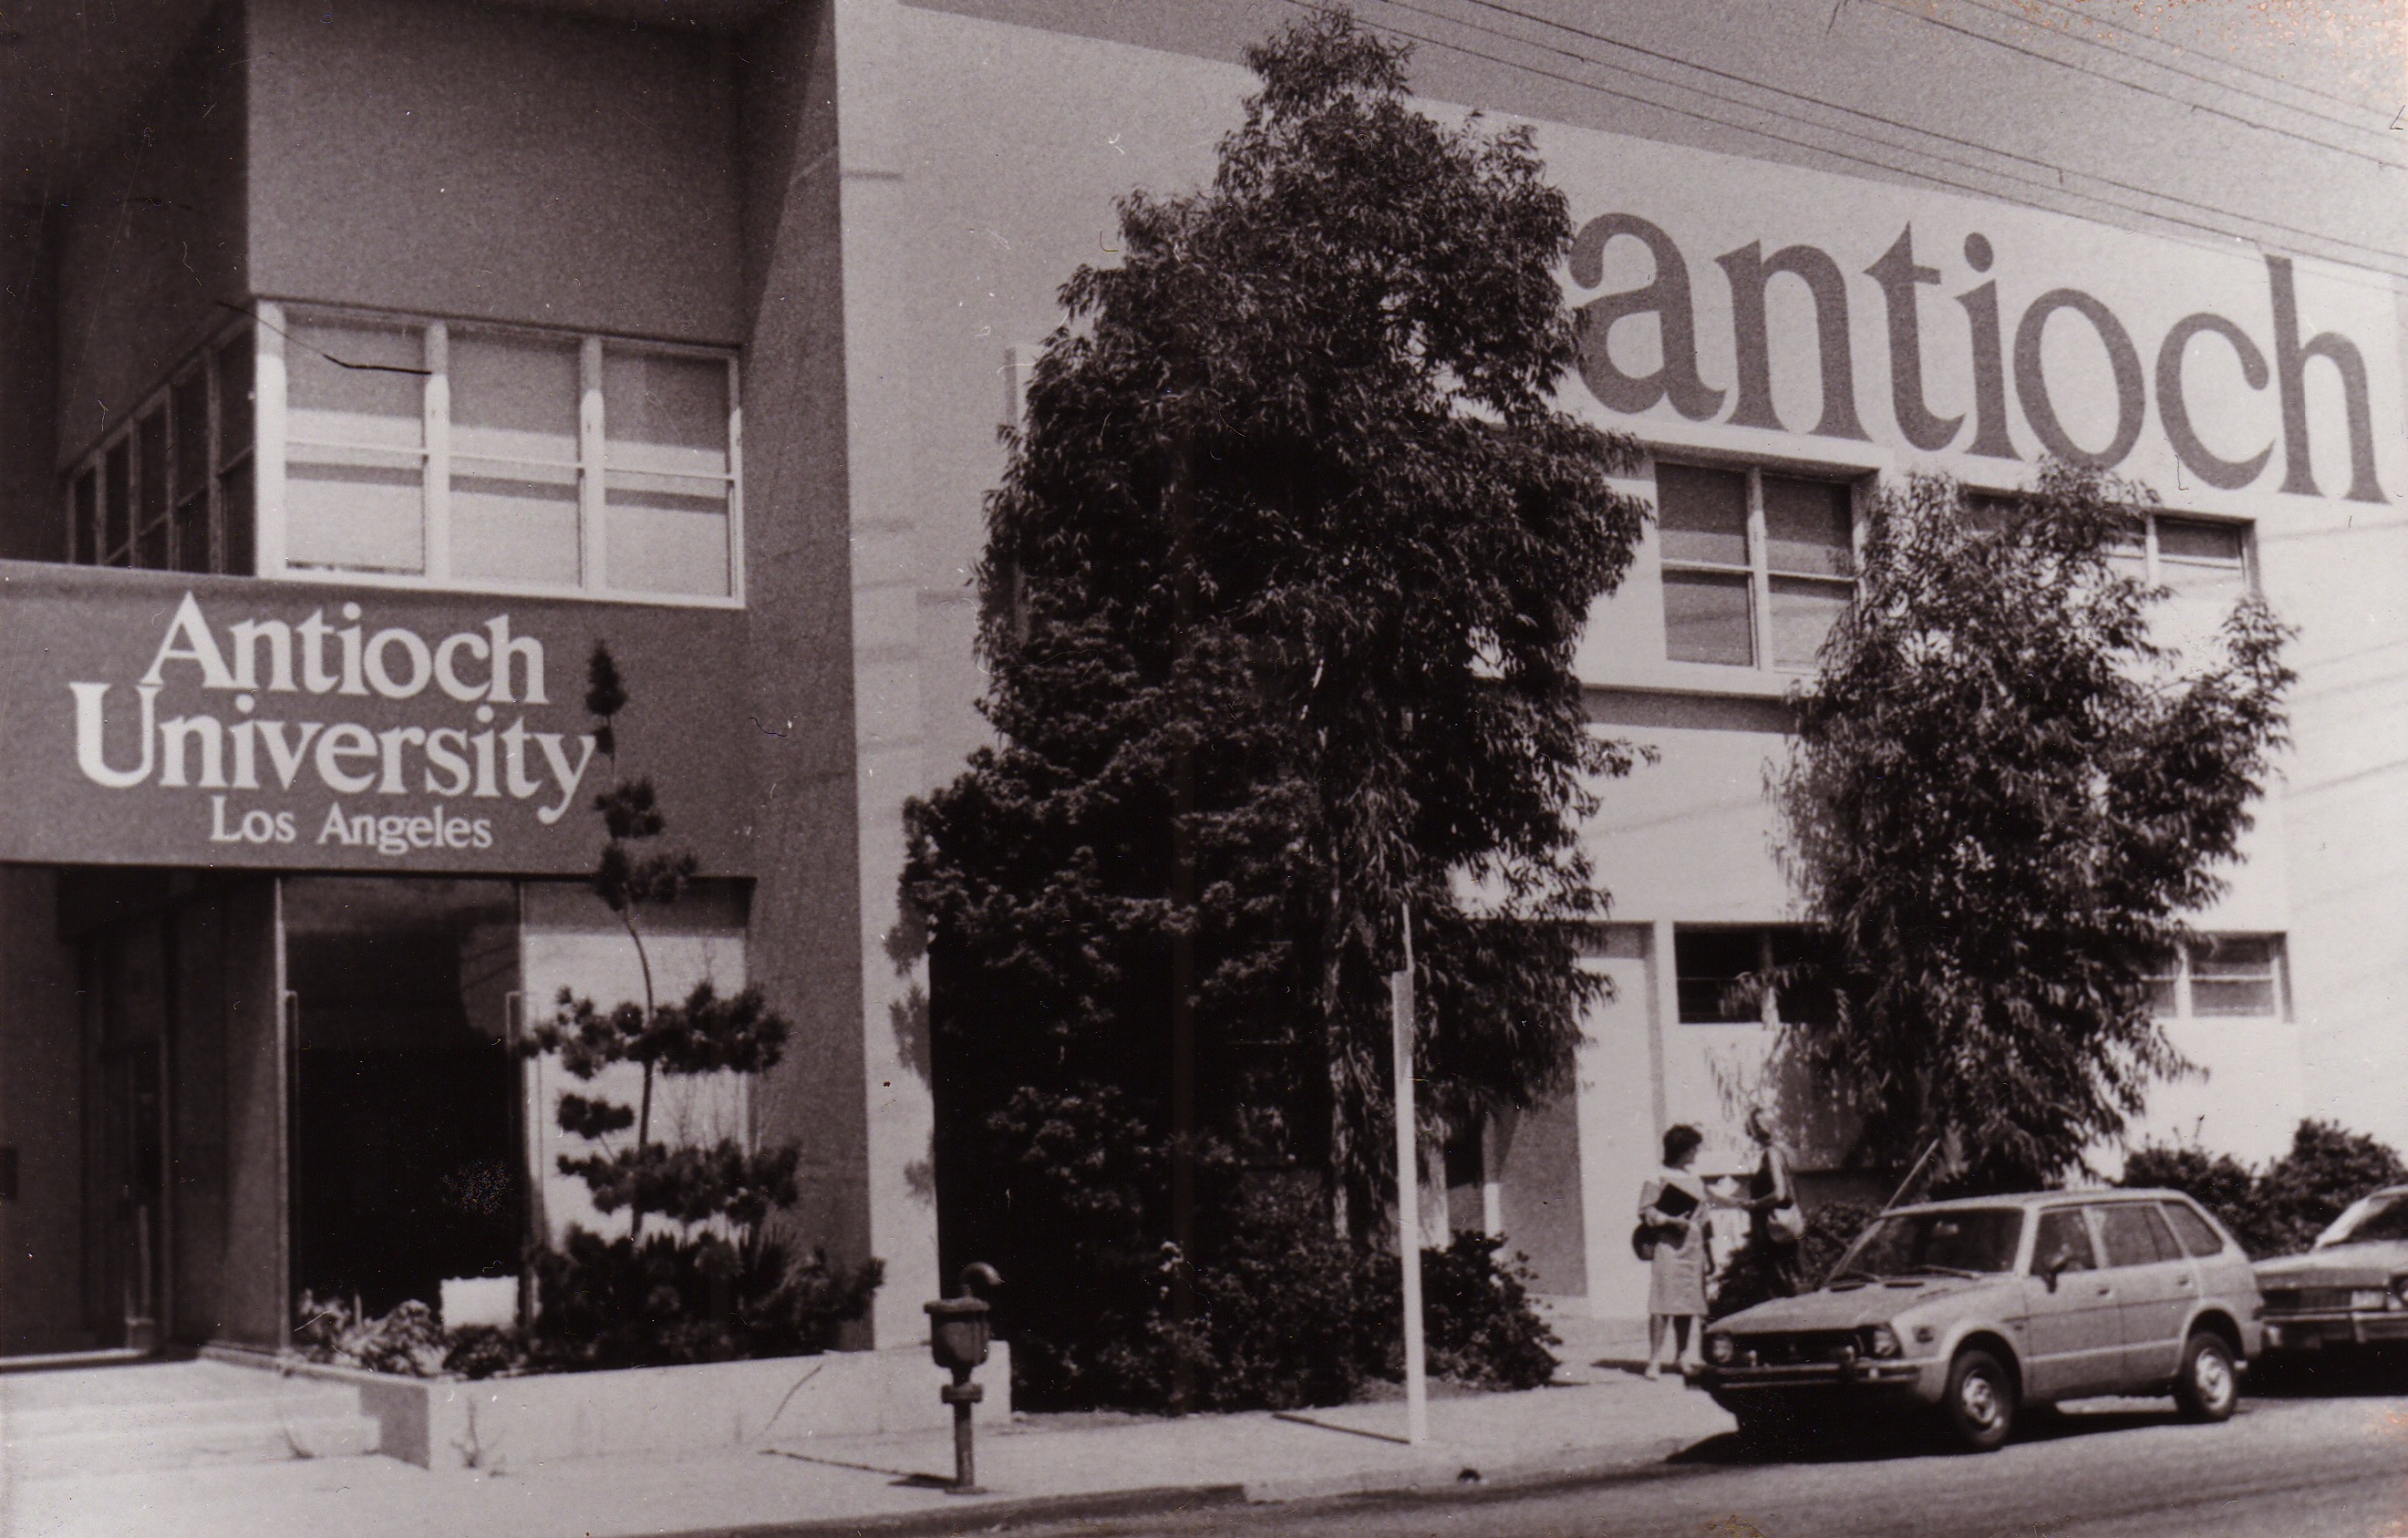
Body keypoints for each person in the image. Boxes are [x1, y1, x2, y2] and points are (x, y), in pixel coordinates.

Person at [1638, 1123, 1711, 1380]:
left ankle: (1682, 1355)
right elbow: (1647, 1211)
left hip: (1692, 1247)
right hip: (1668, 1245)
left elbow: (1704, 1217)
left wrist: (1709, 1253)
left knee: (1686, 1303)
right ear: (1681, 1150)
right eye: (1693, 1149)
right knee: (1662, 1302)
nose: (1696, 1154)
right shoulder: (1656, 1176)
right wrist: (1671, 1220)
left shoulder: (1695, 1180)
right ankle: (1654, 1359)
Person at [1736, 1106, 1803, 1299]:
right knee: (1791, 1278)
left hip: (1772, 1229)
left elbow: (1779, 1193)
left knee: (1777, 1284)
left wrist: (1754, 1204)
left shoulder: (1771, 1154)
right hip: (1788, 1224)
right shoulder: (1787, 1152)